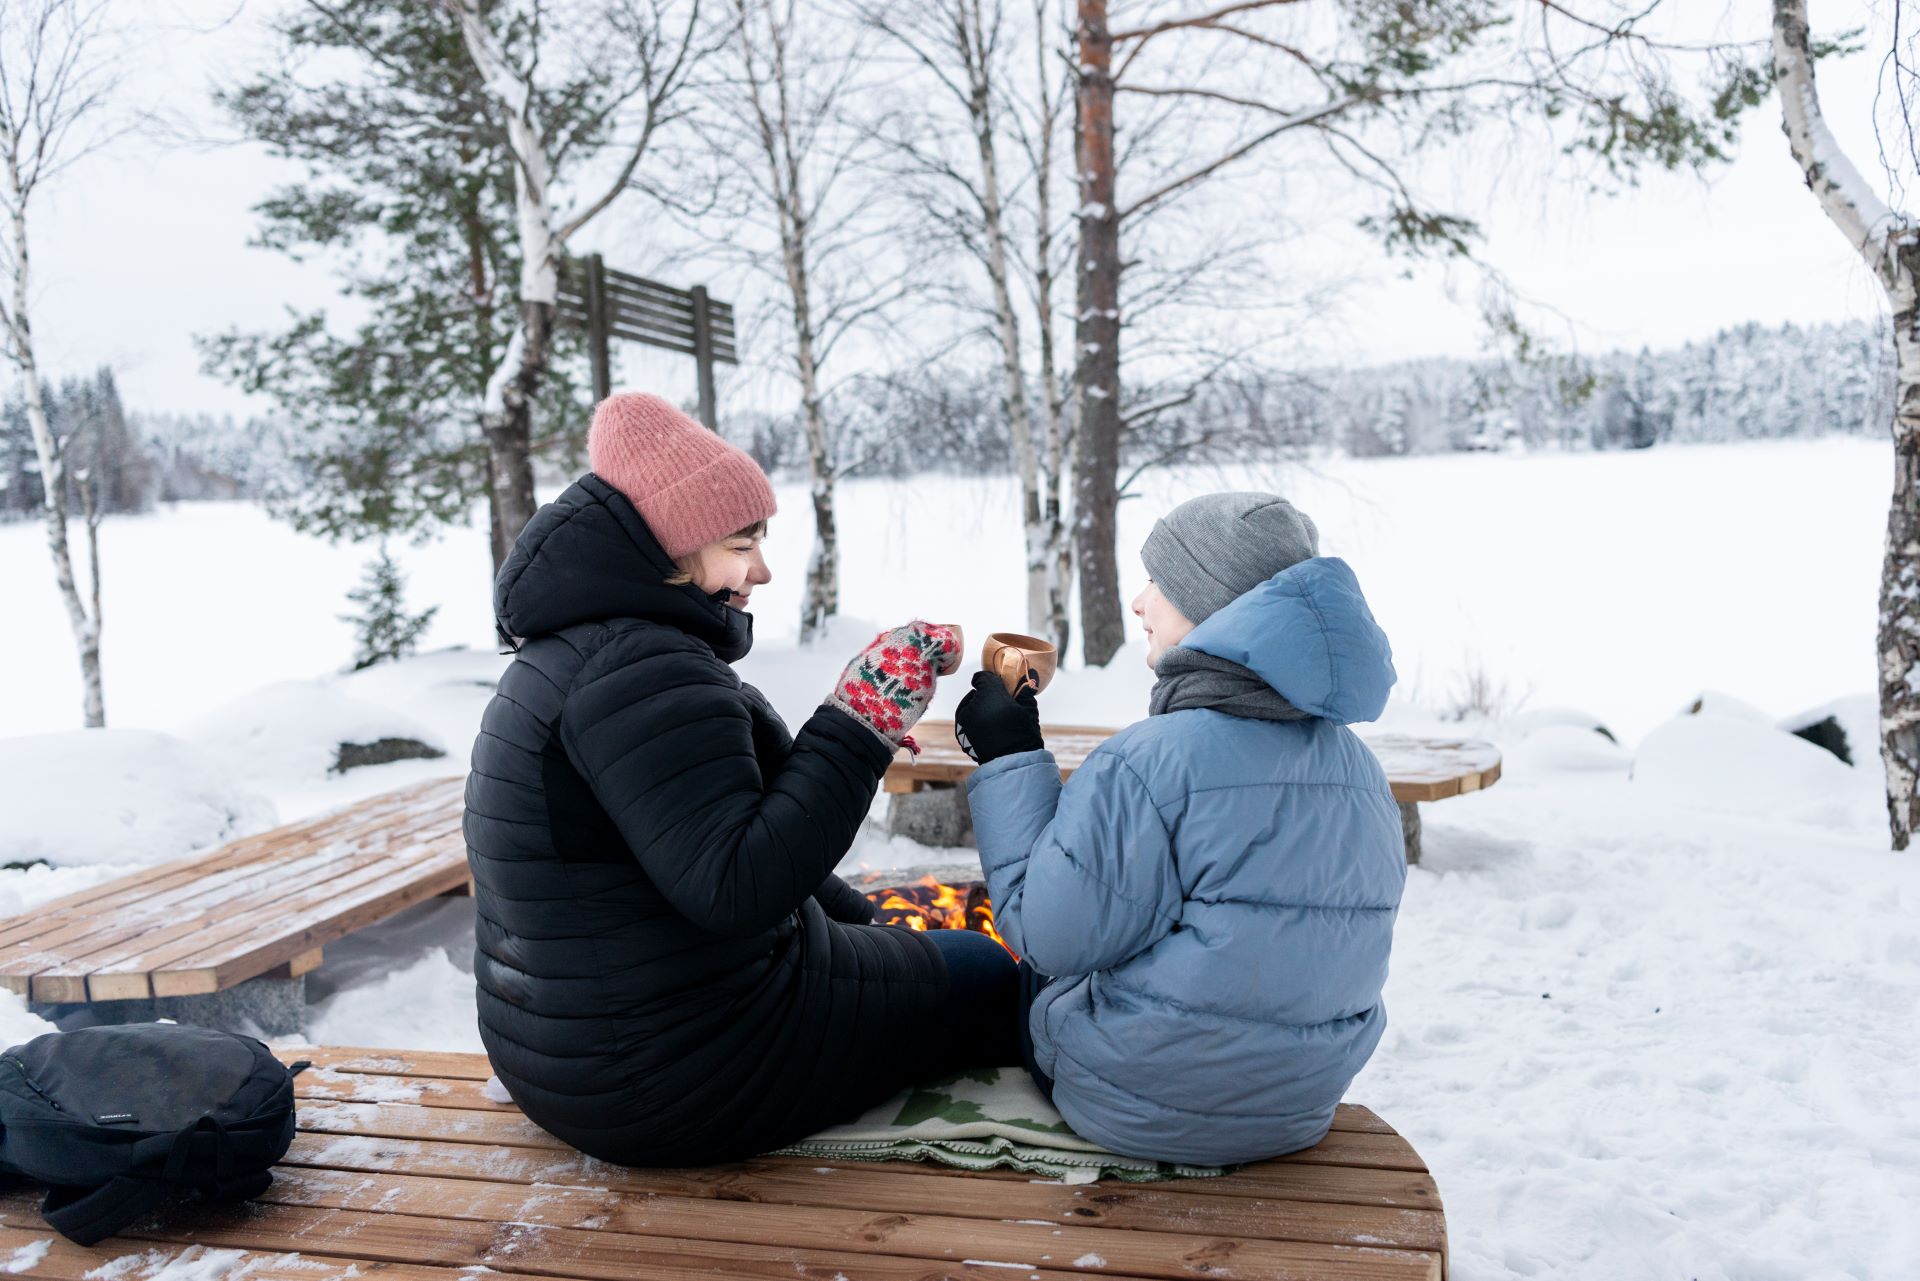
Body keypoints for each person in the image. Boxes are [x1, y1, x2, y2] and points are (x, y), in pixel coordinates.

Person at [464, 392, 1018, 1167]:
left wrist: (873, 924)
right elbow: (738, 883)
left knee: (920, 946)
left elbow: (710, 841)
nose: (761, 568)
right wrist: (860, 720)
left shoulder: (577, 649)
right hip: (682, 1072)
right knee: (991, 971)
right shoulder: (643, 669)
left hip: (575, 1054)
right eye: (738, 543)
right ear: (671, 549)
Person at [952, 492, 1405, 1166]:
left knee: (979, 971)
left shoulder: (1149, 761)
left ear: (1211, 606)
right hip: (1299, 1104)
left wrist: (1008, 755)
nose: (1138, 601)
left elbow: (1047, 935)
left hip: (1138, 1103)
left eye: (1159, 582)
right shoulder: (1361, 770)